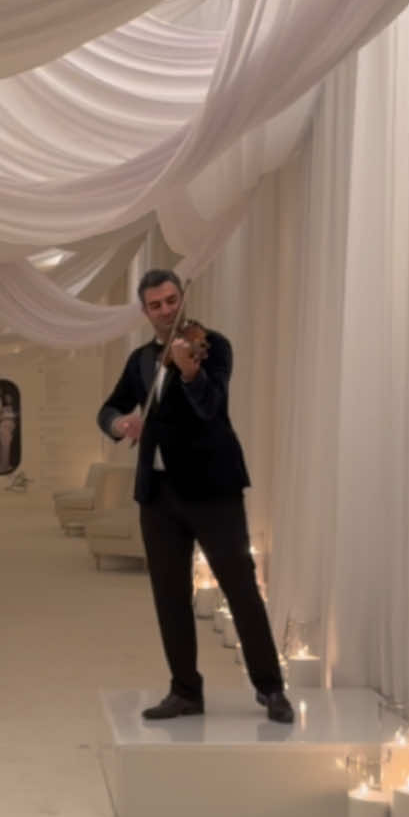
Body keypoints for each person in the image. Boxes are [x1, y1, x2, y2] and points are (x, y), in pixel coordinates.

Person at [96, 269, 293, 724]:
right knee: (169, 595)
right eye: (155, 304)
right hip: (158, 495)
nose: (165, 310)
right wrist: (119, 424)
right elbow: (109, 407)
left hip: (212, 489)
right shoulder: (141, 361)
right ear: (145, 312)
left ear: (181, 299)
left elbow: (211, 406)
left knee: (241, 587)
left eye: (170, 300)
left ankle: (270, 689)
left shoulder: (212, 346)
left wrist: (189, 373)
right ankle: (185, 690)